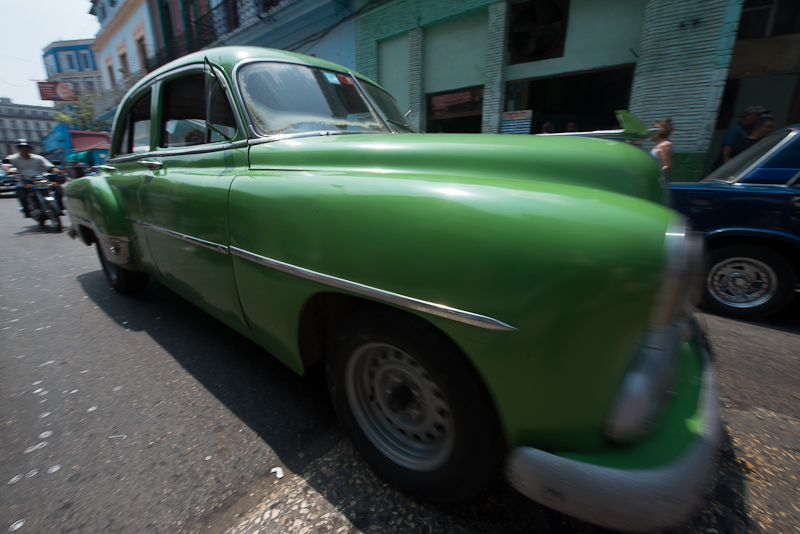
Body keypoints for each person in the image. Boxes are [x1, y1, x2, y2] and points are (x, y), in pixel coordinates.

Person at [5, 139, 64, 217]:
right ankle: (26, 210)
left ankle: (59, 207)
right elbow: (5, 164)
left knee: (57, 186)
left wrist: (57, 170)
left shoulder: (38, 157)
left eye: (27, 147)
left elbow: (49, 166)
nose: (25, 149)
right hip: (25, 180)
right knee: (20, 189)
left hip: (40, 180)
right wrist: (8, 170)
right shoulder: (12, 157)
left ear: (30, 148)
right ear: (18, 148)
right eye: (22, 147)